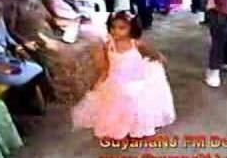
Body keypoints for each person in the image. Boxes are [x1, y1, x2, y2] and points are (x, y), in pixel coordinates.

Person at [72, 11, 176, 139]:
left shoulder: (137, 44)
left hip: (136, 80)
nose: (116, 31)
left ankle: (135, 125)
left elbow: (154, 55)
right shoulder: (108, 46)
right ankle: (120, 125)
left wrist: (159, 61)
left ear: (132, 28)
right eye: (113, 27)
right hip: (115, 80)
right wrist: (99, 81)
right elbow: (105, 67)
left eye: (122, 28)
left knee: (133, 100)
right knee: (114, 101)